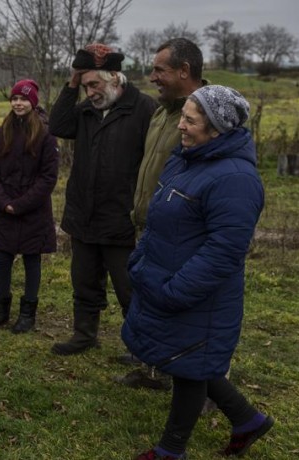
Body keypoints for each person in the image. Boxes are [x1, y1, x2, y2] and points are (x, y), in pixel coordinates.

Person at [123, 85, 272, 460]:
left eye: (190, 120)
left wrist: (176, 290)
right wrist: (141, 259)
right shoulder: (186, 159)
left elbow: (225, 250)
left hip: (198, 293)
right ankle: (247, 420)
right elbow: (158, 217)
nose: (181, 126)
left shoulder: (235, 179)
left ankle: (171, 450)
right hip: (167, 279)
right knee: (189, 357)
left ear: (216, 129)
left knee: (189, 364)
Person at [48, 43, 157, 356]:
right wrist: (72, 83)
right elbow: (58, 125)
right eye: (85, 86)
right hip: (84, 214)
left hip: (121, 217)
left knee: (128, 287)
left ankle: (140, 347)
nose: (90, 92)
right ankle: (84, 335)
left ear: (115, 78)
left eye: (94, 84)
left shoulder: (144, 109)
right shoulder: (87, 110)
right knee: (84, 282)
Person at [117, 37, 206, 388]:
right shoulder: (160, 113)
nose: (152, 77)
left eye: (159, 70)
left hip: (183, 232)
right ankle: (155, 369)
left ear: (184, 70)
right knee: (149, 300)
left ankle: (202, 386)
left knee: (190, 310)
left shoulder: (207, 117)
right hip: (149, 226)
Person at [0, 79, 58, 333]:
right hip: (4, 208)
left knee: (31, 259)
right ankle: (0, 310)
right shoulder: (2, 132)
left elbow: (48, 177)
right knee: (3, 257)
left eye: (23, 99)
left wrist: (22, 204)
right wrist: (4, 202)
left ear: (33, 102)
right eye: (14, 98)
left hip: (33, 210)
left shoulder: (45, 134)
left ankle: (27, 314)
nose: (18, 103)